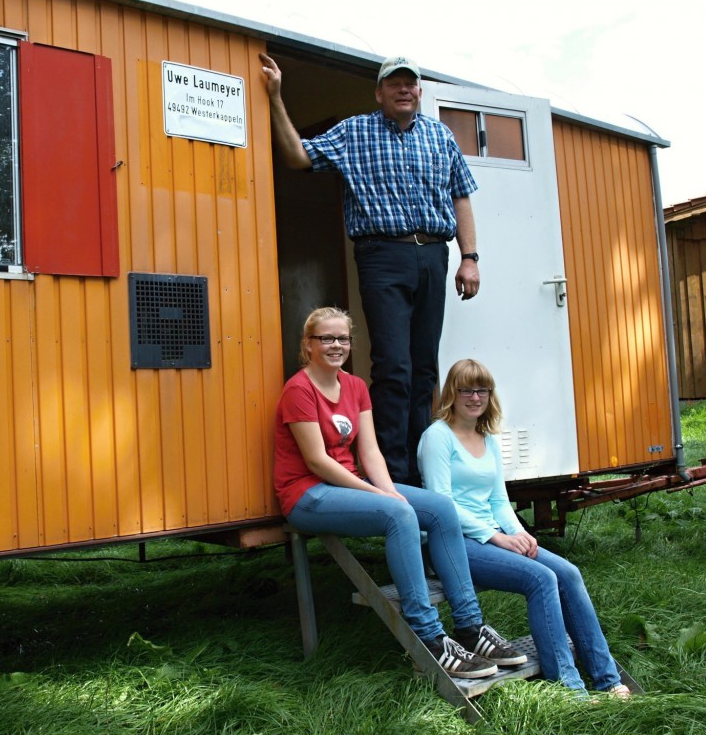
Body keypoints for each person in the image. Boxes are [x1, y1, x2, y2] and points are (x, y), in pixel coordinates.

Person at [260, 53, 480, 488]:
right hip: (383, 254)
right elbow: (298, 156)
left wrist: (469, 257)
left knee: (424, 369)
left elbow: (462, 196)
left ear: (419, 90)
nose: (404, 89)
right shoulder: (355, 131)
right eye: (394, 84)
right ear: (379, 92)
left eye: (410, 83)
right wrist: (275, 97)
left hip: (434, 254)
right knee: (394, 365)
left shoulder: (440, 136)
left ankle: (424, 469)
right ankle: (394, 474)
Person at [275, 308, 527, 678]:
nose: (336, 345)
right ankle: (429, 638)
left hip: (347, 486)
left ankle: (471, 626)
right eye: (326, 338)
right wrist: (382, 498)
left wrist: (390, 490)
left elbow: (371, 452)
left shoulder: (356, 387)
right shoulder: (298, 389)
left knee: (440, 508)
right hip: (307, 494)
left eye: (343, 338)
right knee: (399, 514)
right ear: (308, 345)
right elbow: (317, 462)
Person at [417, 358, 632, 698]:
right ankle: (570, 689)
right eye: (466, 390)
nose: (475, 397)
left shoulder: (486, 437)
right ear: (451, 394)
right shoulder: (437, 438)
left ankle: (607, 679)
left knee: (569, 573)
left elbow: (499, 499)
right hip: (451, 544)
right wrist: (498, 538)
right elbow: (442, 505)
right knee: (541, 579)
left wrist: (520, 533)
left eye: (482, 390)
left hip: (492, 536)